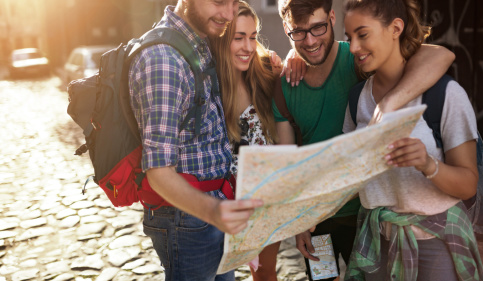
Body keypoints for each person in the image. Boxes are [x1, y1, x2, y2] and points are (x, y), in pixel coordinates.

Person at [275, 0, 455, 280]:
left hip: (367, 216)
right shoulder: (286, 83)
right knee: (323, 278)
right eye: (298, 32)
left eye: (318, 27)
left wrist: (389, 104)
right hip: (318, 220)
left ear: (332, 17)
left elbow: (440, 55)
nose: (309, 41)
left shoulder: (358, 57)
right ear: (286, 30)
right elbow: (290, 165)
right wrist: (300, 221)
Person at [342, 0, 483, 280]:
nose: (354, 48)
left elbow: (469, 185)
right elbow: (351, 175)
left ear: (396, 28)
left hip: (437, 246)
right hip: (378, 242)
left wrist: (427, 164)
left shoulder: (446, 93)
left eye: (363, 34)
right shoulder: (356, 99)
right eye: (349, 38)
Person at [127, 1, 263, 280]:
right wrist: (215, 211)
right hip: (188, 219)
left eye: (233, 3)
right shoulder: (163, 59)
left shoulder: (199, 39)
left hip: (210, 210)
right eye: (219, 2)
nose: (228, 14)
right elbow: (159, 172)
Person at [210, 2, 282, 280]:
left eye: (252, 37)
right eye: (238, 37)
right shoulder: (209, 87)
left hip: (266, 199)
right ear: (222, 39)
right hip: (227, 205)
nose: (248, 47)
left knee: (264, 272)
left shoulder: (264, 74)